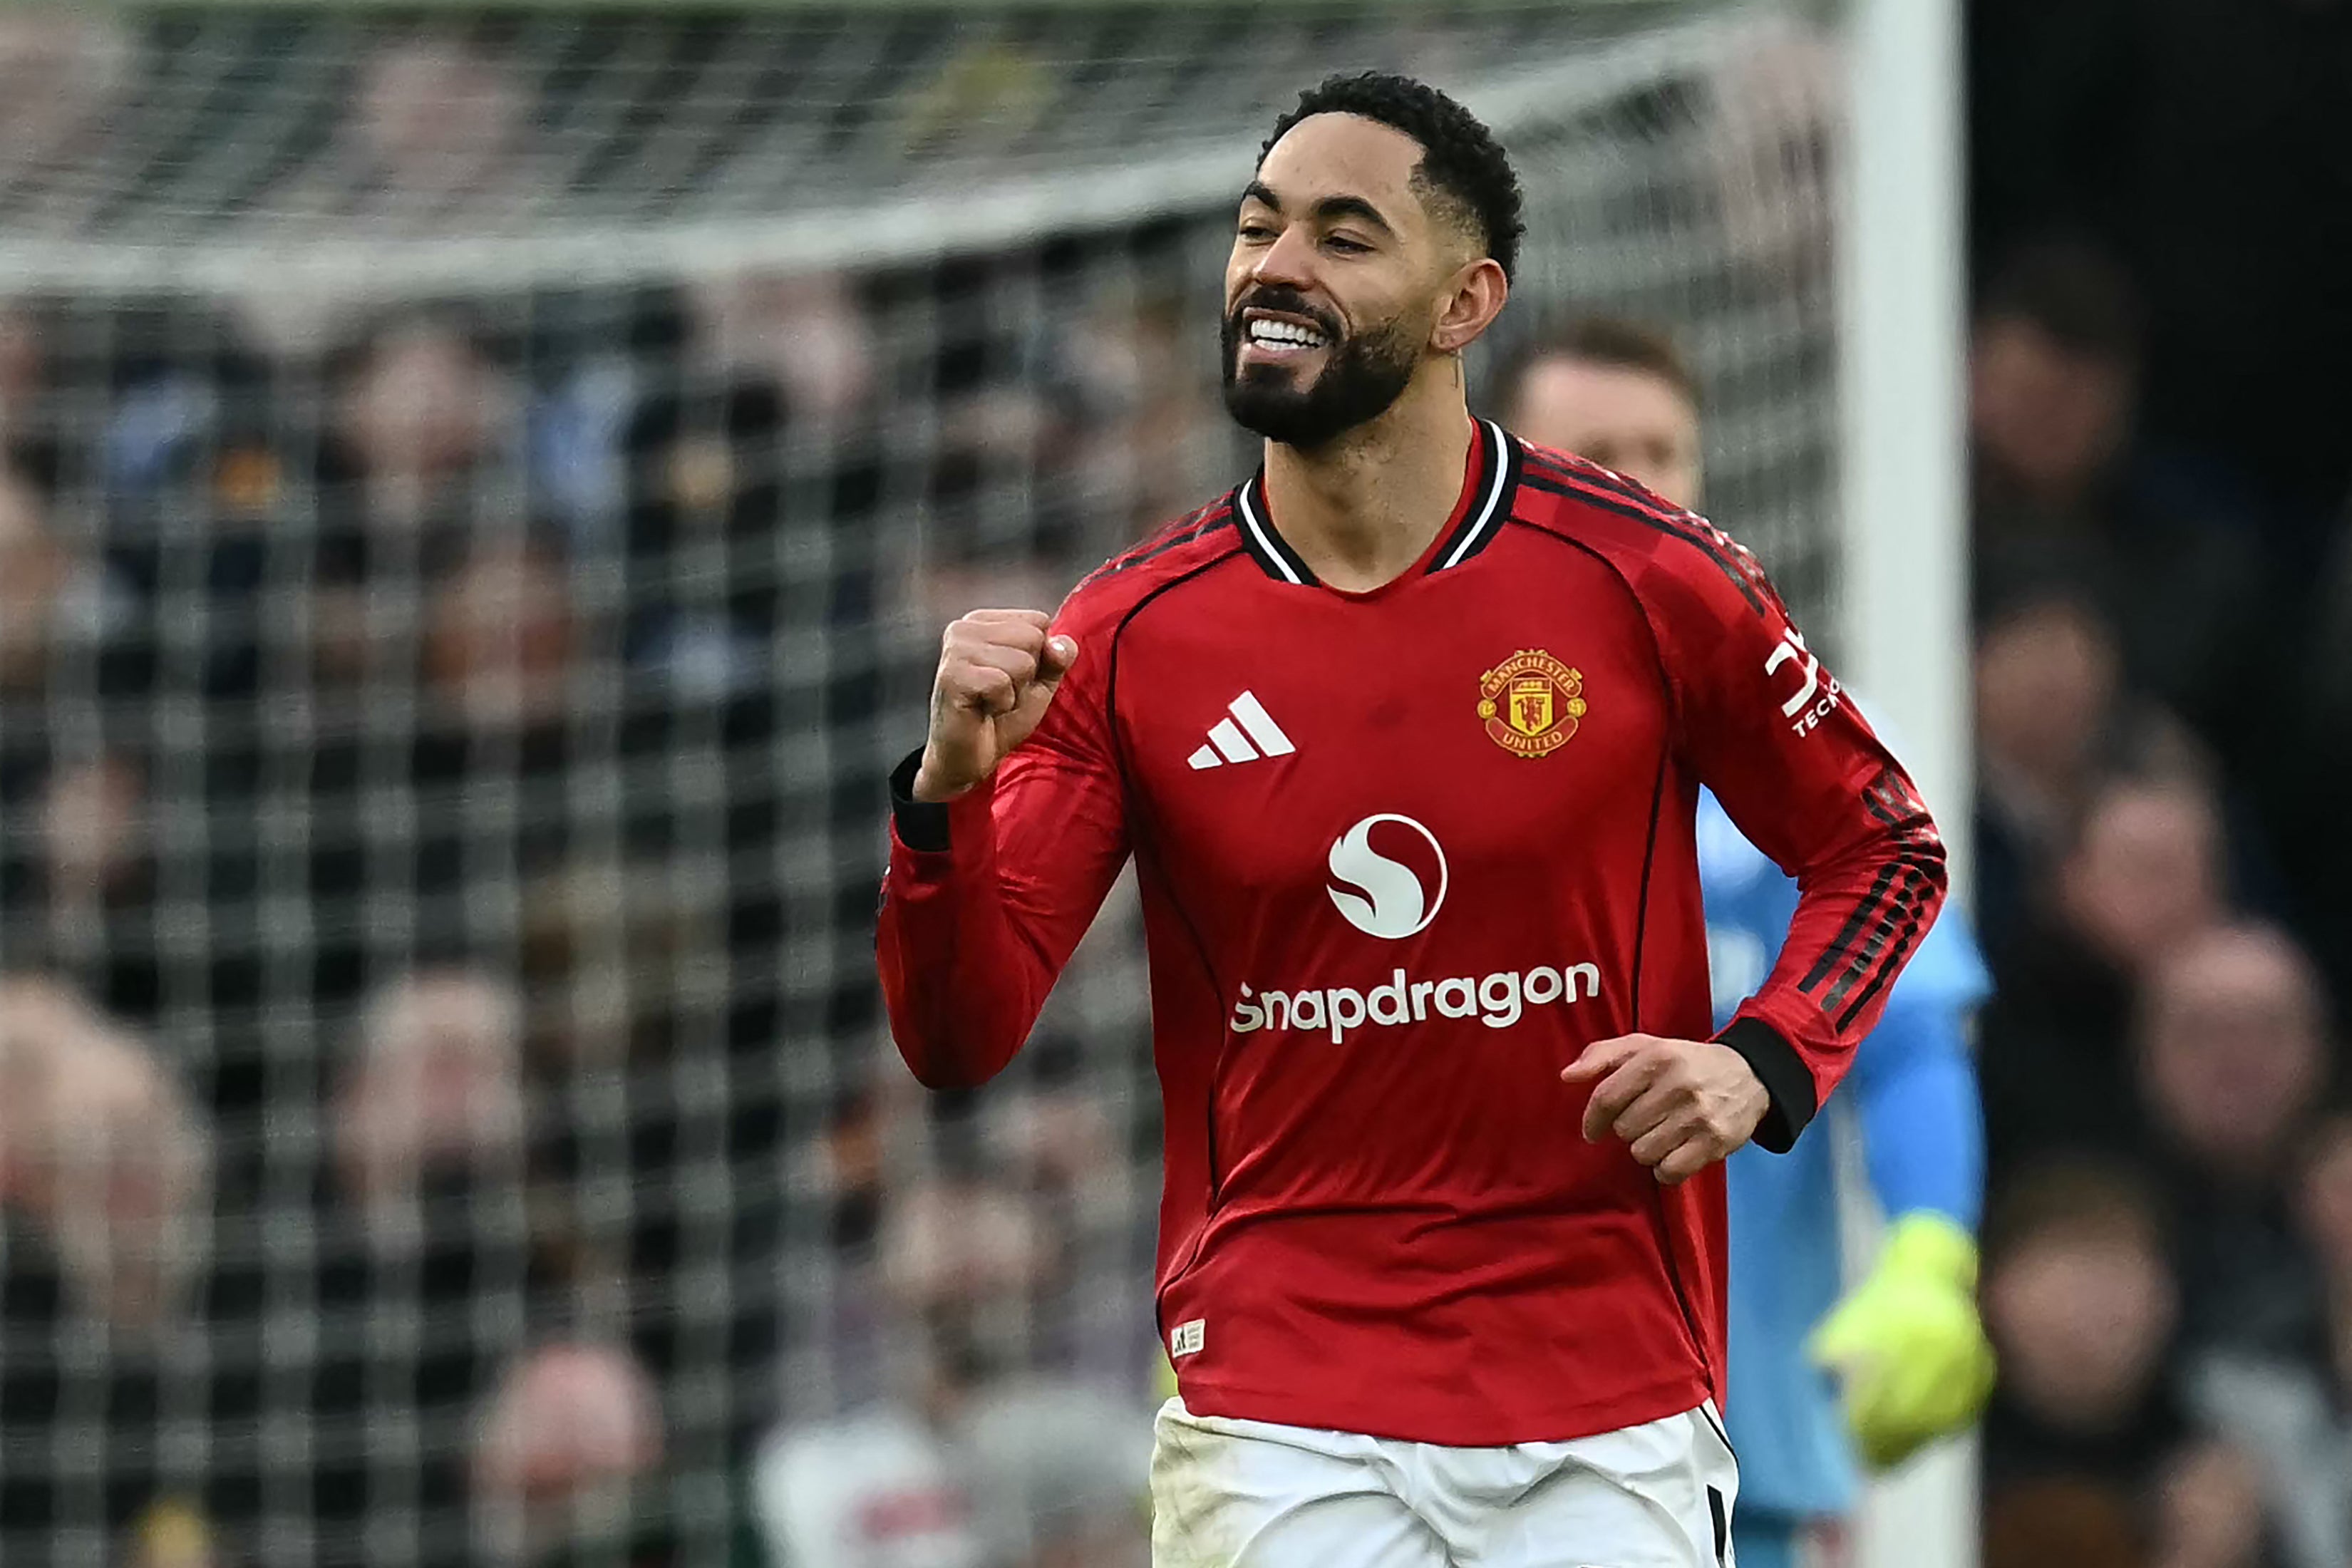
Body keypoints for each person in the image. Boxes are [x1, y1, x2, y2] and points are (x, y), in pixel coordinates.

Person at [876, 73, 1948, 1565]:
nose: (1274, 266)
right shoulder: (1128, 634)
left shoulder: (1649, 578)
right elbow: (959, 1034)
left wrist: (1762, 1060)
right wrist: (945, 805)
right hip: (1280, 1398)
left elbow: (1884, 844)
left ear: (1466, 302)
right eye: (1257, 227)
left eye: (1342, 235)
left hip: (1604, 1384)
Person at [1500, 316, 1996, 1568]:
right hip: (1435, 1424)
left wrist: (1929, 1254)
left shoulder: (1806, 752)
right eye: (1595, 455)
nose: (1639, 487)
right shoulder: (1400, 735)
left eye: (1663, 453)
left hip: (1728, 1440)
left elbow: (1908, 1040)